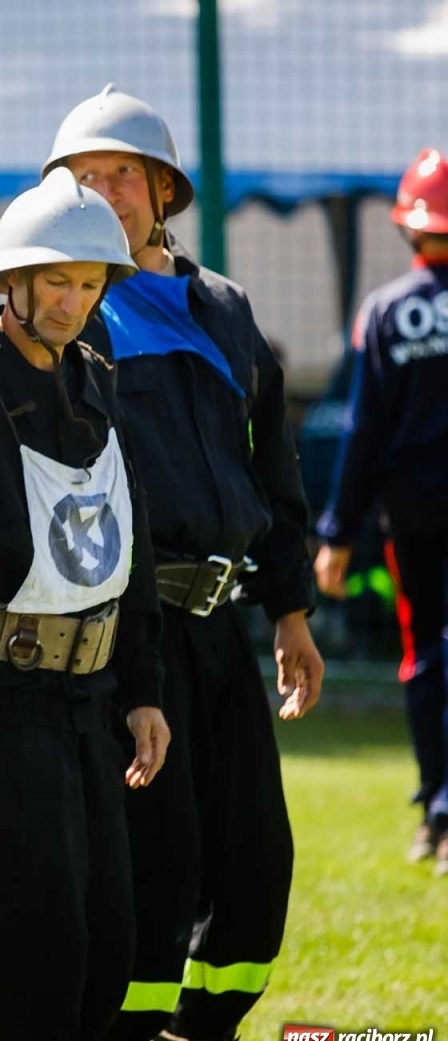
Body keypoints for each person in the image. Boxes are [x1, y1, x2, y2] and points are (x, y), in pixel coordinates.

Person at [49, 84, 325, 1041]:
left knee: (256, 860)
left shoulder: (223, 309)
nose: (103, 191)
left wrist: (288, 608)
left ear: (162, 186)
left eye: (120, 172)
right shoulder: (72, 314)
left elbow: (271, 468)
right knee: (155, 872)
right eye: (81, 178)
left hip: (223, 629)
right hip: (129, 637)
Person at [0, 169, 169, 1041]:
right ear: (11, 281)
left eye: (90, 283)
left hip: (90, 707)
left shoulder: (96, 383)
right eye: (56, 280)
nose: (73, 302)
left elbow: (124, 551)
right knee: (32, 960)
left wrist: (143, 689)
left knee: (107, 951)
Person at [315, 147, 448, 876]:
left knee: (425, 656)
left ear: (408, 226)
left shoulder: (388, 311)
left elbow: (362, 432)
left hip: (414, 517)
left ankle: (437, 807)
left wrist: (337, 532)